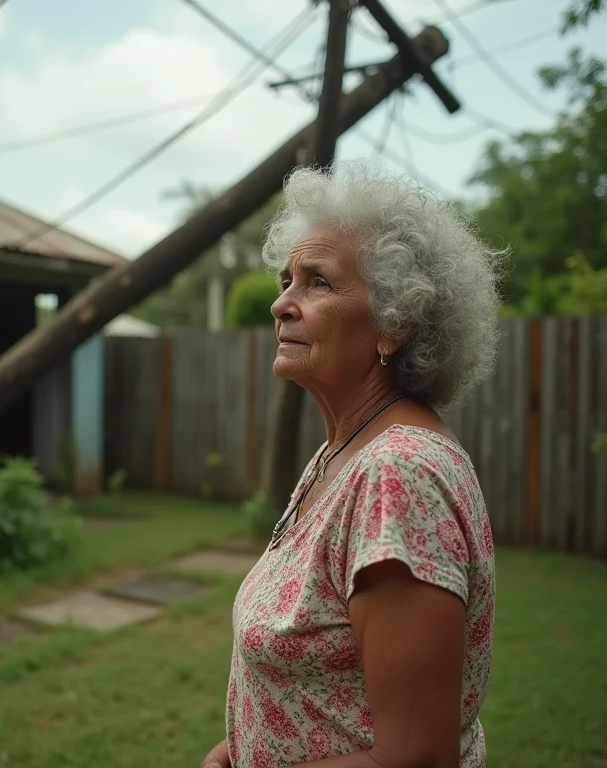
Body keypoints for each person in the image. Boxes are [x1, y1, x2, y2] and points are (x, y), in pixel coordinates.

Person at [200, 160, 500, 768]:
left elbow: (417, 759)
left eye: (317, 282)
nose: (282, 303)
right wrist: (242, 746)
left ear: (395, 323)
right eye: (287, 280)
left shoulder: (398, 475)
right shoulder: (343, 452)